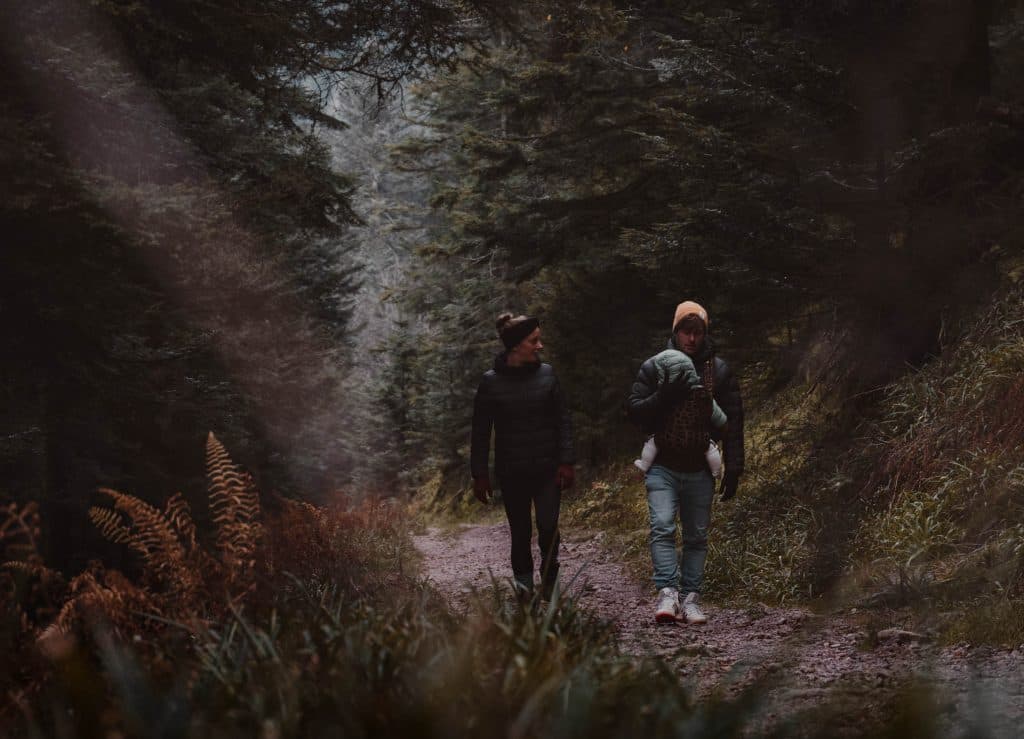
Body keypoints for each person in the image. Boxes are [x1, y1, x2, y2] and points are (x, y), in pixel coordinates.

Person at [627, 301, 744, 624]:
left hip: (700, 466)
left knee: (696, 536)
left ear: (704, 334)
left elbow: (731, 420)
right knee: (662, 527)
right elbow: (635, 412)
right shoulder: (656, 366)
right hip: (662, 463)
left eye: (697, 333)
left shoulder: (718, 371)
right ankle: (667, 593)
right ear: (675, 332)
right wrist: (664, 396)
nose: (691, 339)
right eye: (685, 332)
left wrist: (733, 465)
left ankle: (691, 598)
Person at [471, 312, 575, 601]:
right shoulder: (490, 382)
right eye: (534, 340)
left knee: (548, 527)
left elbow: (563, 420)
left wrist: (566, 461)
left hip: (547, 470)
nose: (540, 346)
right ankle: (525, 592)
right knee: (519, 533)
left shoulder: (548, 375)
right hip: (512, 472)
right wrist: (479, 474)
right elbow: (481, 431)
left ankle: (551, 585)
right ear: (516, 345)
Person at [633, 348, 728, 478]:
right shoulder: (703, 394)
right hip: (698, 441)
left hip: (668, 440)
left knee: (652, 442)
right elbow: (721, 420)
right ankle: (716, 471)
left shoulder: (667, 396)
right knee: (710, 447)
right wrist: (722, 428)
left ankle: (644, 464)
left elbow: (648, 417)